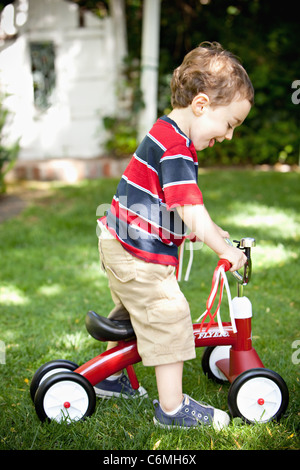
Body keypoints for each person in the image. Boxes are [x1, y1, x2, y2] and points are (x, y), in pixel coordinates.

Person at [95, 42, 254, 430]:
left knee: (138, 314)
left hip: (121, 244)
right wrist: (224, 248)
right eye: (229, 124)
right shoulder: (177, 149)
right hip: (137, 255)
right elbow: (189, 209)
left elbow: (170, 206)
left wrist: (214, 234)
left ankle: (111, 376)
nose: (229, 137)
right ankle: (171, 408)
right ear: (201, 105)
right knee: (169, 315)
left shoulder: (166, 133)